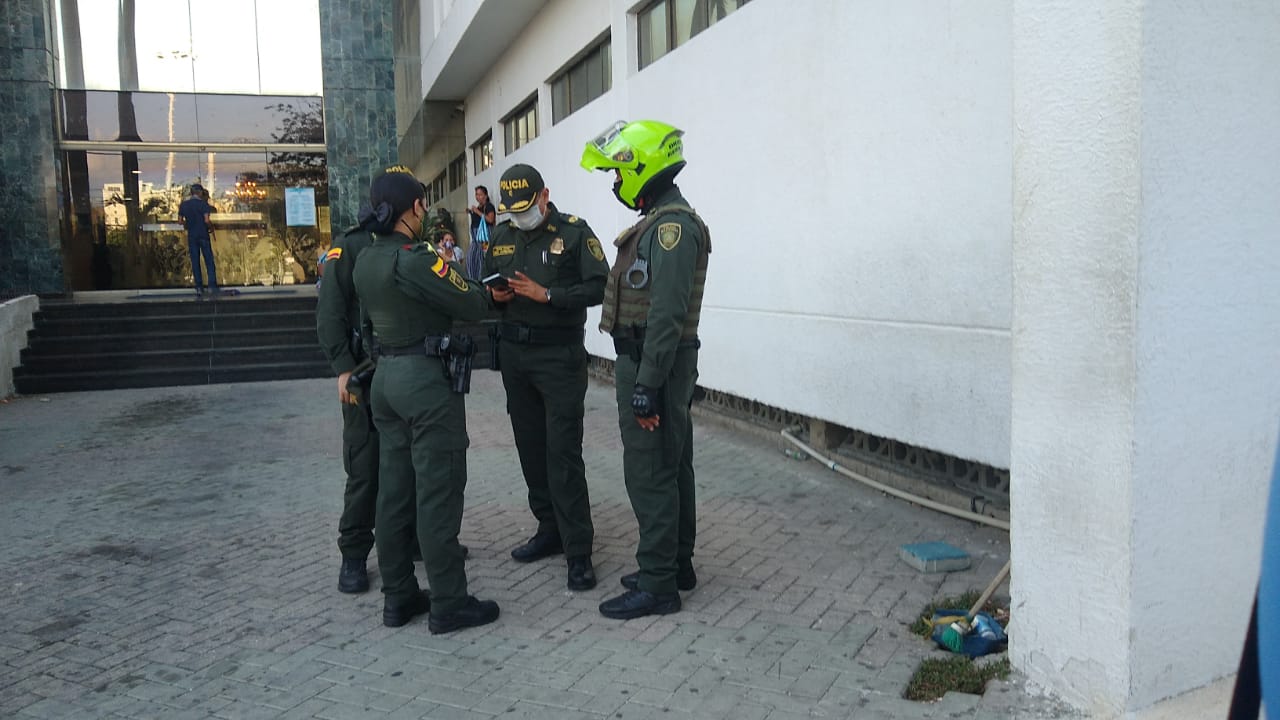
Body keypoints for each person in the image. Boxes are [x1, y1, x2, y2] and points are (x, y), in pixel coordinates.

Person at [351, 165, 501, 633]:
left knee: (394, 493)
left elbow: (370, 324)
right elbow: (473, 302)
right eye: (422, 206)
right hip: (425, 384)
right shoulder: (415, 258)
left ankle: (399, 597)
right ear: (414, 208)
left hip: (386, 380)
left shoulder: (364, 259)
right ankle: (449, 602)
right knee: (437, 492)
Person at [580, 120, 711, 620]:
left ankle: (658, 584)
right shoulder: (660, 221)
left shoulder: (671, 230)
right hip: (655, 363)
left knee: (651, 471)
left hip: (655, 364)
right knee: (671, 465)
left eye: (618, 173)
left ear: (644, 167)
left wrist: (647, 386)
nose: (615, 184)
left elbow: (667, 315)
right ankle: (675, 565)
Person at [483, 163, 609, 591]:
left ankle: (578, 550)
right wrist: (495, 297)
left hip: (559, 355)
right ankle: (548, 529)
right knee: (531, 449)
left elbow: (599, 287)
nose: (520, 218)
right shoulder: (501, 236)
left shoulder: (574, 233)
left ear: (544, 195)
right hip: (515, 356)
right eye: (512, 211)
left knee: (563, 453)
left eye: (525, 208)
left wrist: (549, 294)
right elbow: (484, 287)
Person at [315, 223, 379, 596]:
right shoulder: (349, 247)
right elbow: (330, 312)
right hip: (362, 374)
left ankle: (415, 541)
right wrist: (342, 366)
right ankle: (353, 554)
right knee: (364, 468)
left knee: (410, 464)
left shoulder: (407, 241)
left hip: (400, 373)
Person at [178, 183, 218, 298]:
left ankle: (199, 287)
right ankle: (211, 286)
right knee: (209, 261)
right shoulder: (203, 205)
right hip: (203, 235)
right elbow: (206, 220)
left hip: (192, 236)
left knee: (195, 262)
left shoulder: (184, 205)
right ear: (200, 193)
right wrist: (211, 227)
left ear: (191, 192)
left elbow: (180, 221)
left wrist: (189, 224)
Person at [466, 186, 496, 278]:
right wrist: (471, 212)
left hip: (484, 239)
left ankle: (482, 281)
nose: (478, 196)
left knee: (482, 260)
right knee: (470, 259)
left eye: (480, 194)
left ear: (485, 196)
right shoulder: (479, 207)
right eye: (476, 194)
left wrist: (477, 212)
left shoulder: (489, 206)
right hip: (475, 240)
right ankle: (473, 280)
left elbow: (491, 220)